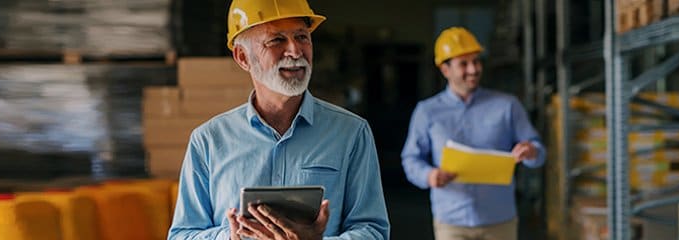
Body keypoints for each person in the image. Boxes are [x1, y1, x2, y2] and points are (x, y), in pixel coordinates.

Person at [167, 0, 390, 239]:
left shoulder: (351, 132)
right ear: (243, 57)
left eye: (302, 37)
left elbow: (373, 230)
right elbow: (182, 234)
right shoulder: (209, 140)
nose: (295, 51)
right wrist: (231, 237)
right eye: (277, 40)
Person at [401, 27, 546, 240]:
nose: (473, 69)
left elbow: (539, 152)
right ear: (445, 70)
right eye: (464, 64)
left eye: (476, 61)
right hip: (451, 221)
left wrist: (531, 151)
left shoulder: (507, 105)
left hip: (500, 221)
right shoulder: (427, 111)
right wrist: (429, 175)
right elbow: (410, 158)